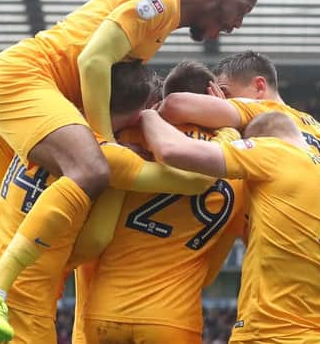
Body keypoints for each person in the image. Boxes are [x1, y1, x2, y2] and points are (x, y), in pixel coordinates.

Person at [0, 0, 257, 342]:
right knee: (93, 169)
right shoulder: (160, 1)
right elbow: (92, 61)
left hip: (18, 81)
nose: (237, 24)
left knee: (17, 209)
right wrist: (104, 142)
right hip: (24, 80)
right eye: (241, 8)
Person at [0, 62, 213, 341]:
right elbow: (197, 181)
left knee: (7, 221)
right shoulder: (107, 159)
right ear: (137, 113)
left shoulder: (42, 133)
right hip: (20, 317)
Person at [158, 50, 320, 343]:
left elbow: (176, 105)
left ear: (259, 87)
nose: (219, 99)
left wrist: (218, 113)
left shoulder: (264, 112)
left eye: (224, 92)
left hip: (288, 307)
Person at [74, 60, 248, 344]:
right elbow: (208, 275)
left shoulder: (129, 137)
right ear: (215, 98)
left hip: (105, 311)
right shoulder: (237, 170)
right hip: (171, 319)